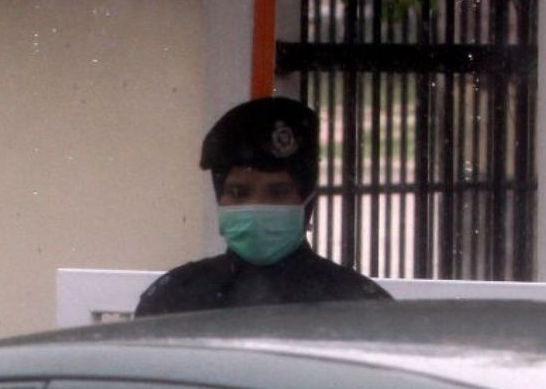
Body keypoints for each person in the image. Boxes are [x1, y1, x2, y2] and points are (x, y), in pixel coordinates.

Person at [135, 96, 391, 317]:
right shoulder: (174, 298)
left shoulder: (356, 304)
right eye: (238, 193)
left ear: (307, 201)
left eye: (278, 193)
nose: (257, 205)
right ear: (220, 198)